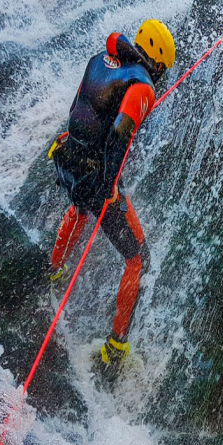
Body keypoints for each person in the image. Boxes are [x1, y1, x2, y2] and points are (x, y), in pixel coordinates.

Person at [47, 20, 175, 378]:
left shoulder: (100, 59)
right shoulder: (142, 86)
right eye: (163, 69)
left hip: (67, 156)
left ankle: (53, 272)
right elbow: (120, 131)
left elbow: (80, 107)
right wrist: (110, 186)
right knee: (138, 259)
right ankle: (115, 347)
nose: (161, 76)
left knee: (79, 209)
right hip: (94, 177)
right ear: (158, 61)